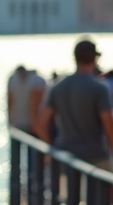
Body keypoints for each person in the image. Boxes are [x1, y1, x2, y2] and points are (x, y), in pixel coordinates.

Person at [37, 38, 113, 170]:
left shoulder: (58, 87)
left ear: (75, 58)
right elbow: (109, 125)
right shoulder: (99, 88)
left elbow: (41, 124)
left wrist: (51, 148)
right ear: (95, 59)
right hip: (96, 156)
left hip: (66, 157)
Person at [7, 65, 46, 134]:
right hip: (25, 125)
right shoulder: (37, 81)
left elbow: (10, 102)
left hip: (21, 124)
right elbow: (35, 106)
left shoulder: (13, 79)